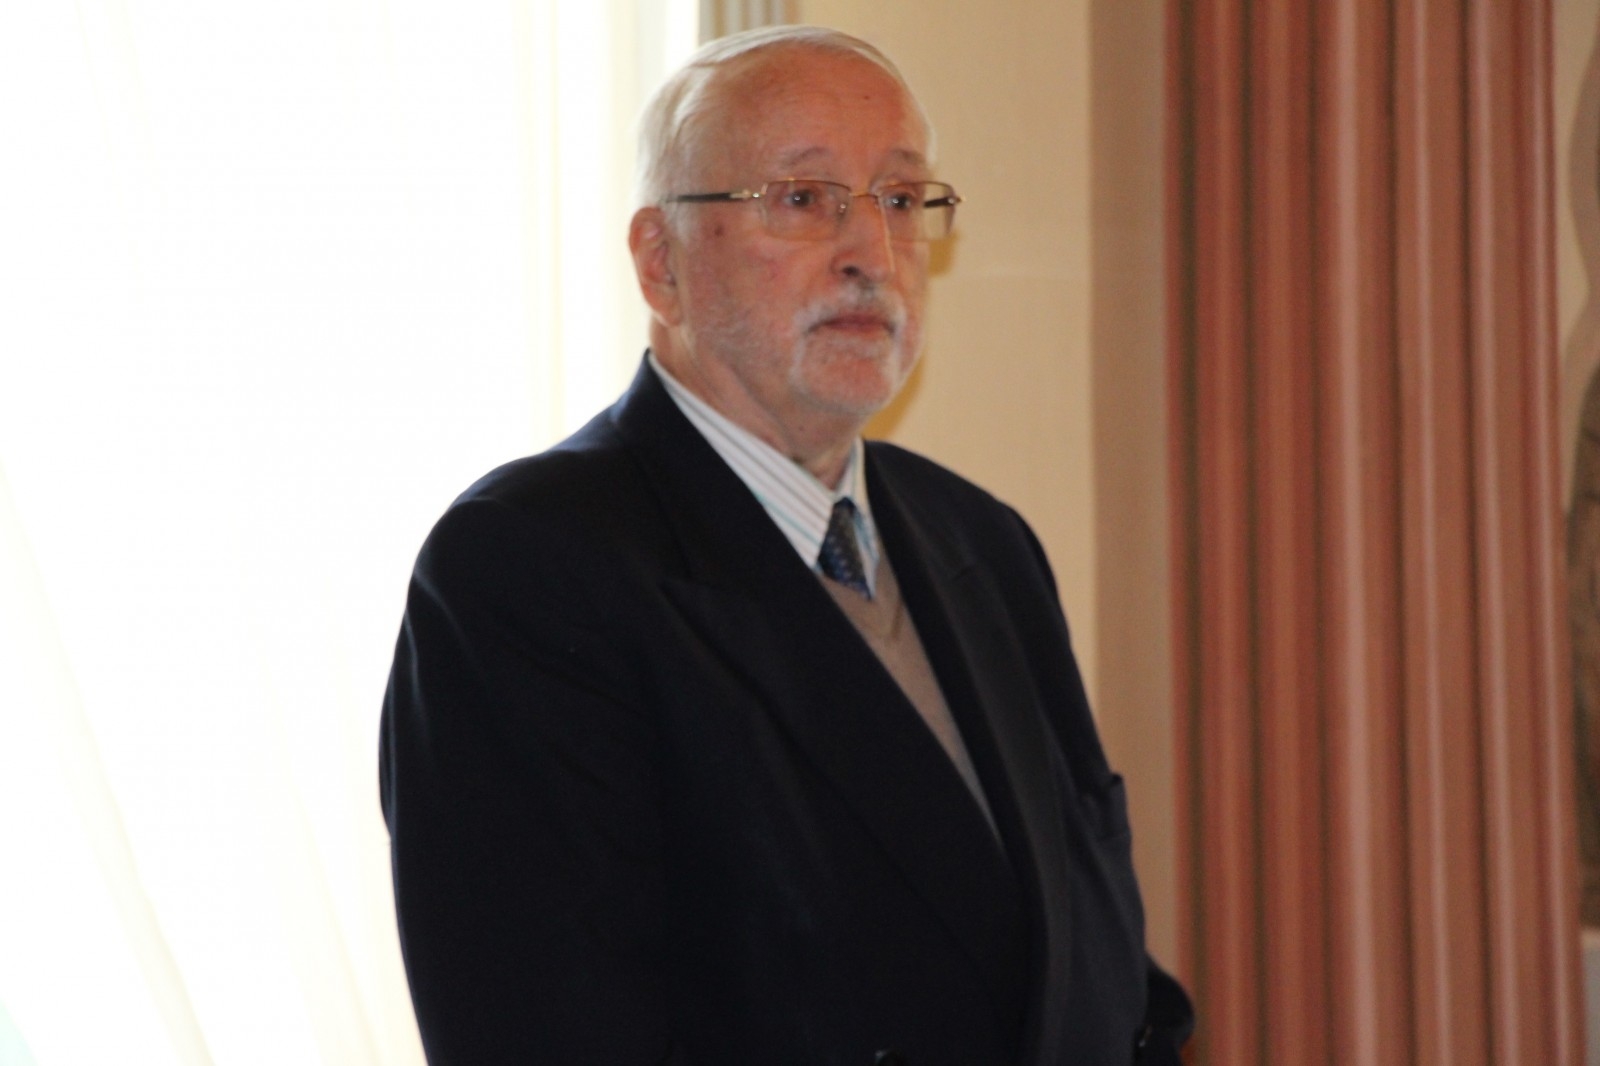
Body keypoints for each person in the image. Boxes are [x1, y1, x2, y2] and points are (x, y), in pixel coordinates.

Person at [380, 24, 1193, 1065]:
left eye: (900, 199)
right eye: (804, 199)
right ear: (660, 264)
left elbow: (1100, 979)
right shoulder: (528, 568)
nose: (873, 255)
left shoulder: (983, 543)